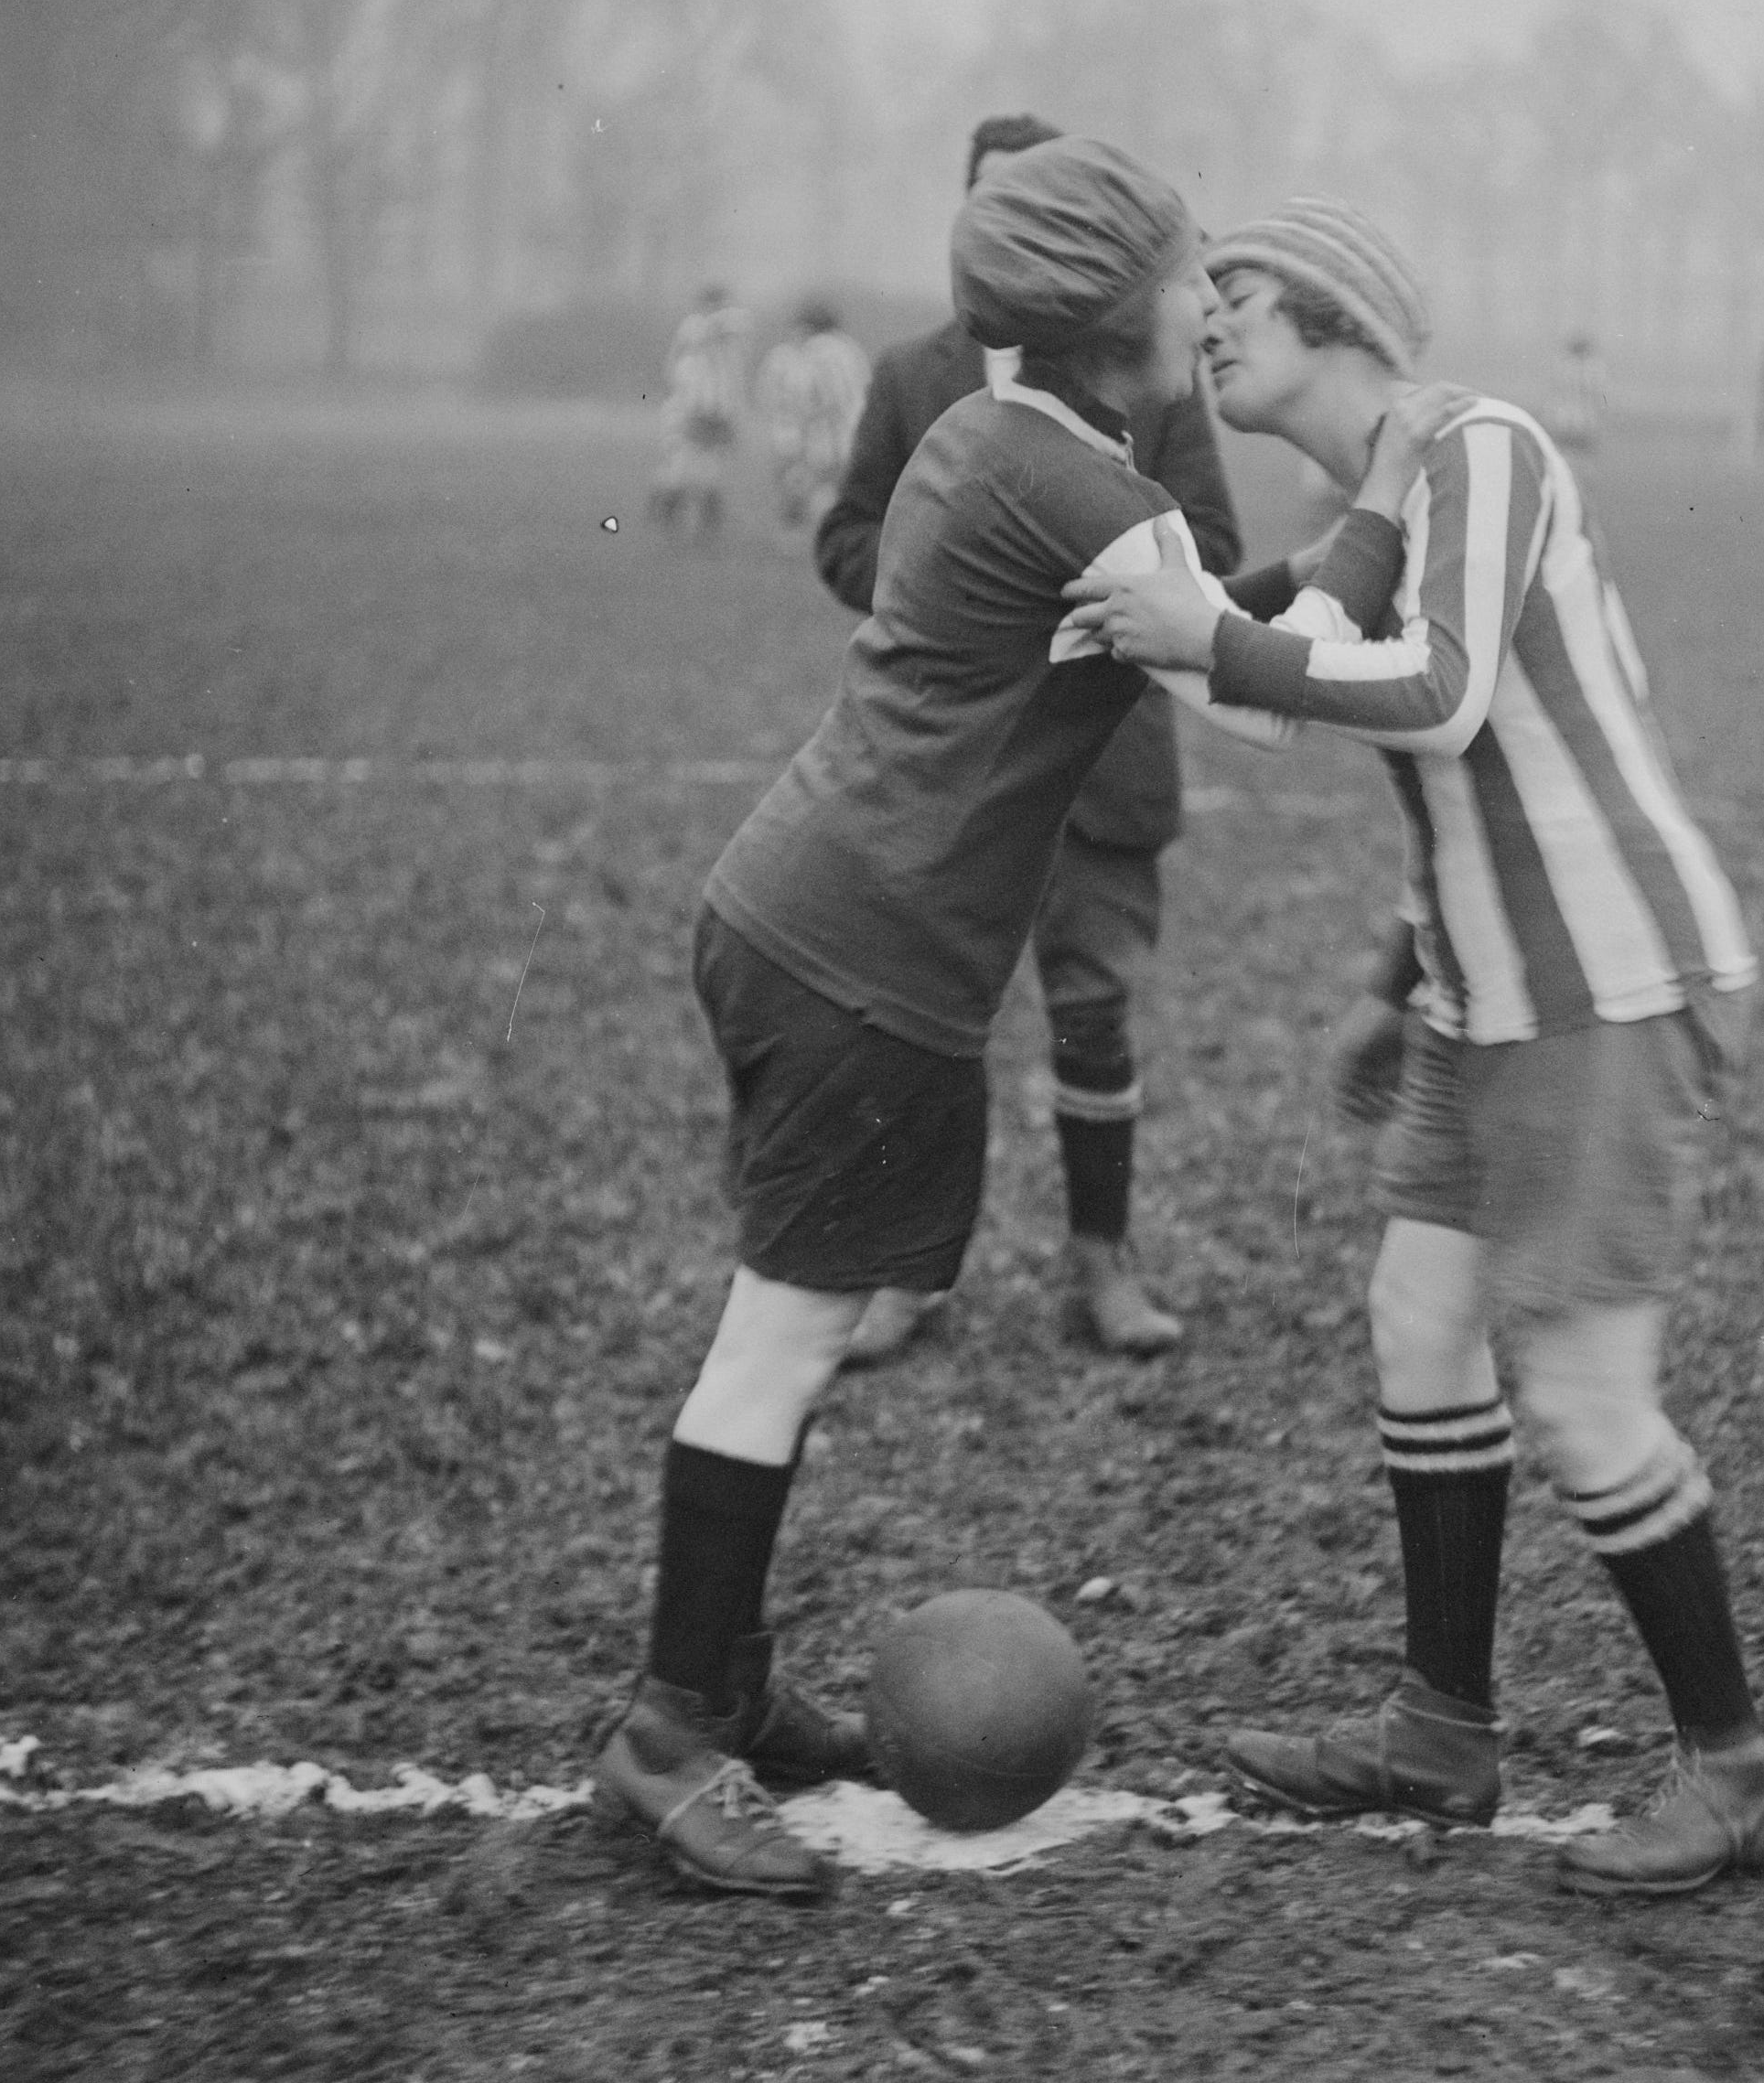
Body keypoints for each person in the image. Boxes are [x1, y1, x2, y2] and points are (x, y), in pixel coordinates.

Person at [594, 142, 1413, 1901]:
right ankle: (668, 1736)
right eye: (1194, 275)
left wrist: (1291, 577)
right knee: (781, 1346)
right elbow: (1253, 698)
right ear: (1119, 315)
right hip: (862, 959)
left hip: (802, 914)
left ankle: (722, 1683)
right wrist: (1388, 504)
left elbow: (1199, 622)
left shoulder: (1003, 438)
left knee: (785, 1332)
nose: (1210, 304)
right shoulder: (1069, 477)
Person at [1066, 198, 1764, 1898]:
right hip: (1487, 999)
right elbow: (1283, 684)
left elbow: (1445, 694)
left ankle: (1736, 1768)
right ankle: (1440, 1730)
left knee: (1583, 1395)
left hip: (1602, 987)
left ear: (1329, 315)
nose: (1213, 327)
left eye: (1239, 298)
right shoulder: (1373, 501)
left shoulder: (1484, 443)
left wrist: (1202, 633)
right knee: (1418, 1320)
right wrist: (1396, 979)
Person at [813, 113, 1244, 1363]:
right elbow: (846, 541)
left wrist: (1093, 576)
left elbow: (1210, 545)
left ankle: (1101, 1265)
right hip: (946, 769)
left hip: (1098, 766)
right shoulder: (910, 380)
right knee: (913, 1021)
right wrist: (961, 589)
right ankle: (905, 1273)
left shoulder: (1147, 369)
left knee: (1093, 1016)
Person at [753, 299, 874, 533]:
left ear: (808, 326)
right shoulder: (850, 347)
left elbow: (815, 396)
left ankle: (824, 536)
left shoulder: (815, 351)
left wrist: (804, 426)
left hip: (829, 432)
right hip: (859, 428)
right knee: (838, 488)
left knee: (817, 487)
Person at [653, 285, 750, 543]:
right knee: (697, 460)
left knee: (701, 460)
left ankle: (680, 509)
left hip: (718, 407)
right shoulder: (698, 326)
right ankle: (684, 510)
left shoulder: (717, 325)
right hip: (703, 407)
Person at [1547, 329, 1608, 456]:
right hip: (1584, 419)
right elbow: (1598, 394)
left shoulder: (1563, 364)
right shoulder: (1594, 366)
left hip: (1564, 418)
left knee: (1565, 455)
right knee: (1581, 455)